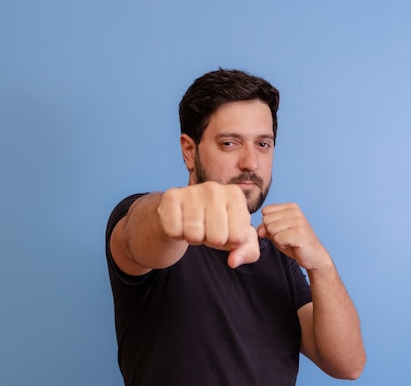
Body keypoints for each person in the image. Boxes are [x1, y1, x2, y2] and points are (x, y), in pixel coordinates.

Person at [105, 69, 365, 386]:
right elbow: (138, 235)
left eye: (263, 144)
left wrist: (322, 266)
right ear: (190, 150)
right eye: (230, 143)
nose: (251, 163)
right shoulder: (156, 223)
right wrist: (169, 212)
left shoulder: (280, 257)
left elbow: (347, 365)